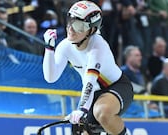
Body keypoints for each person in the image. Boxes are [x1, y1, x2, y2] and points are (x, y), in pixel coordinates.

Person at [42, 1, 133, 135]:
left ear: (92, 30)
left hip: (116, 86)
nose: (71, 28)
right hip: (93, 93)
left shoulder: (98, 46)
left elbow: (90, 81)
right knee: (80, 131)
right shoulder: (65, 46)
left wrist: (82, 109)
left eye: (79, 25)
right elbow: (51, 78)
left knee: (101, 112)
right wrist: (49, 49)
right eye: (70, 21)